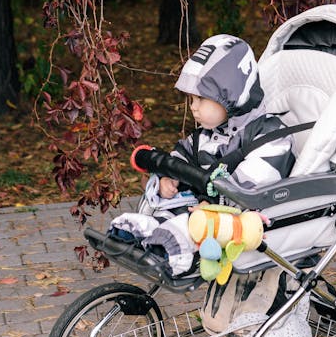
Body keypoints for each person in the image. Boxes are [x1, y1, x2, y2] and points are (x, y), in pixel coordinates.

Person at [108, 34, 295, 276]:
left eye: (201, 99)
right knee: (168, 207)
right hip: (199, 209)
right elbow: (183, 156)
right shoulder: (208, 135)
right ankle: (142, 231)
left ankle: (169, 247)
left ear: (232, 97)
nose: (193, 107)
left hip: (239, 217)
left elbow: (253, 184)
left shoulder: (271, 136)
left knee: (191, 224)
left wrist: (214, 207)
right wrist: (169, 176)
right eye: (192, 99)